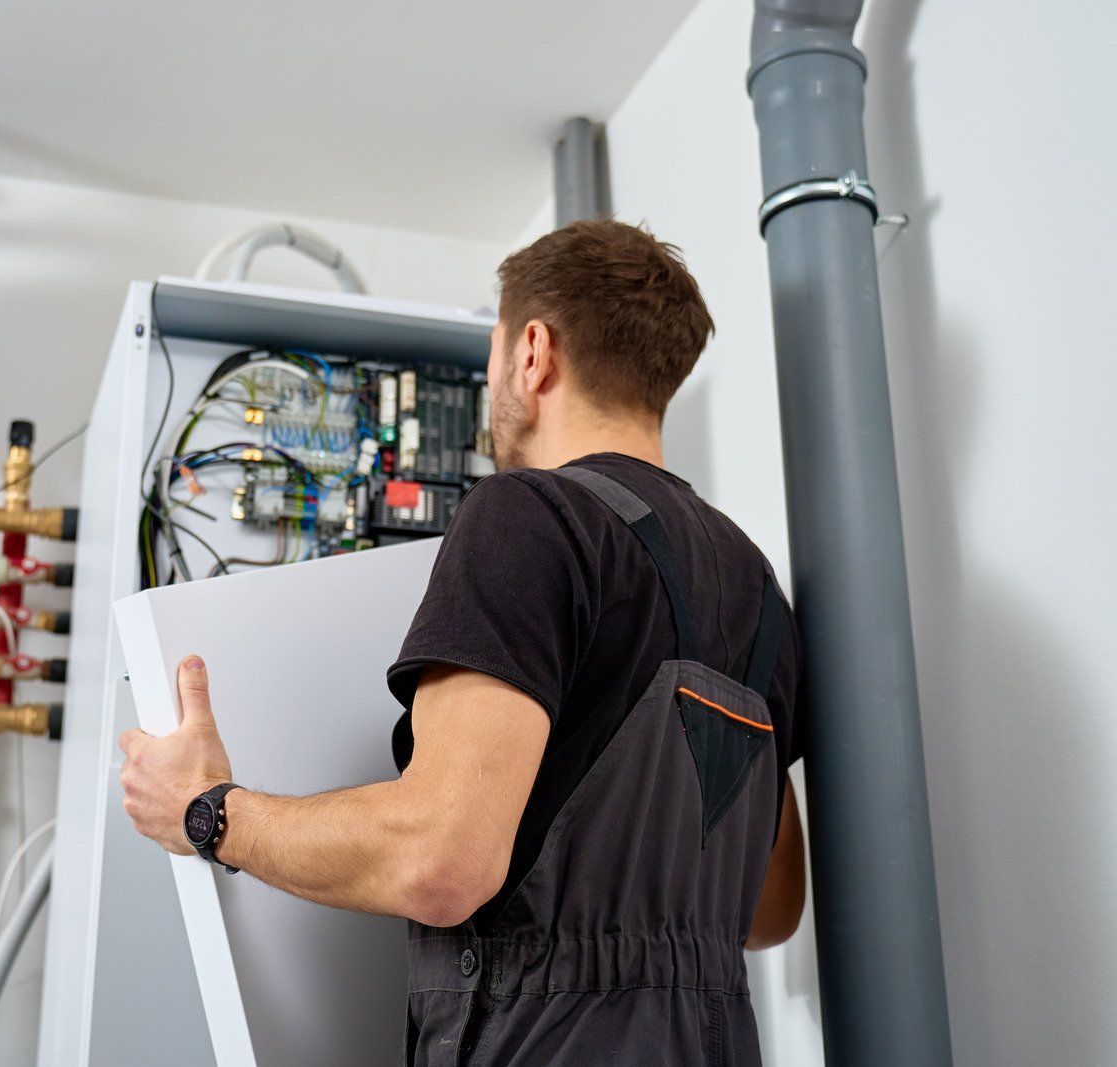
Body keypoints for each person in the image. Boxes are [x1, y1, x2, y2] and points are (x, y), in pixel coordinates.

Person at [119, 219, 806, 1065]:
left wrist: (208, 811)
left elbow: (440, 859)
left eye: (492, 358)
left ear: (532, 353)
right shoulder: (758, 588)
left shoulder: (532, 515)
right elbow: (770, 907)